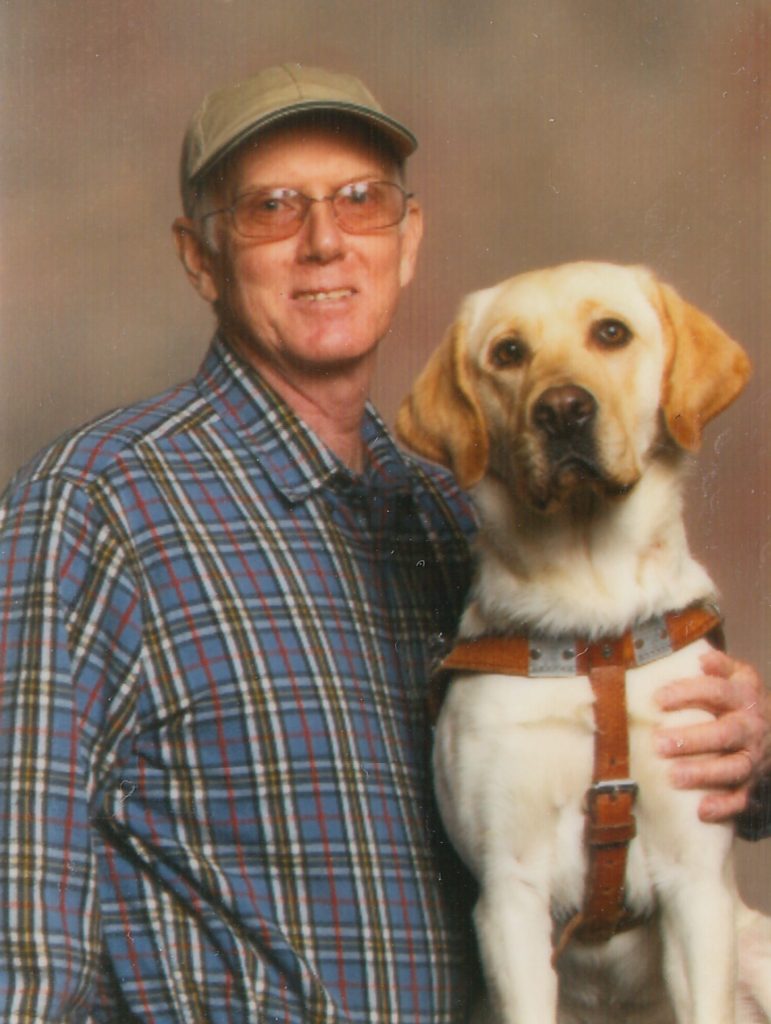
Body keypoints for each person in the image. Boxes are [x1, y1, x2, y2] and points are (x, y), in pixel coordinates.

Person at [0, 63, 767, 1024]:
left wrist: (749, 760)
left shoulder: (466, 521)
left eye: (361, 202)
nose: (325, 242)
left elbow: (604, 840)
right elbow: (19, 905)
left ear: (407, 243)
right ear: (199, 257)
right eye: (272, 209)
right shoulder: (97, 503)